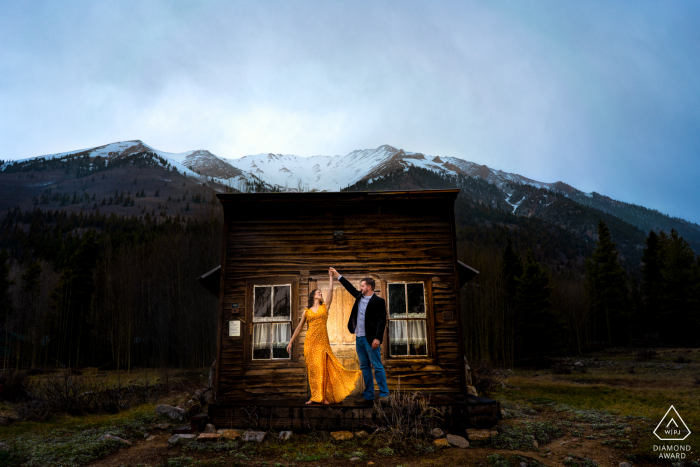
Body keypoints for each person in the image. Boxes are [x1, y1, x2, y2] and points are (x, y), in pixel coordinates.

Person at [287, 269, 360, 404]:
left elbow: (331, 291)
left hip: (322, 342)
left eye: (320, 292)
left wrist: (331, 277)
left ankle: (324, 397)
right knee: (313, 370)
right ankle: (315, 397)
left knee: (323, 368)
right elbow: (299, 328)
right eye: (318, 292)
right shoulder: (307, 312)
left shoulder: (325, 307)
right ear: (313, 296)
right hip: (310, 342)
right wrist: (291, 341)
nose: (320, 293)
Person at [329, 267, 389, 403]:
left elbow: (381, 321)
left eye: (362, 286)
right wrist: (337, 274)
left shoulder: (378, 301)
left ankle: (385, 394)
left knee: (377, 366)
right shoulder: (359, 296)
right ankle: (369, 395)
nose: (360, 288)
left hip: (371, 339)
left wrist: (378, 338)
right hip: (359, 338)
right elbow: (348, 286)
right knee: (364, 367)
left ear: (369, 287)